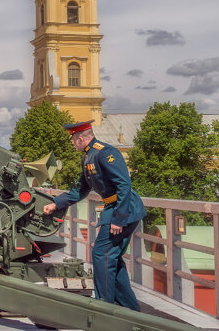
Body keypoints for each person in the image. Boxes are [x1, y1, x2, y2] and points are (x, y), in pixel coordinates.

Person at [41, 120, 146, 310]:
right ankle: (129, 306)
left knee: (101, 253)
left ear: (81, 139)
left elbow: (124, 184)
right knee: (111, 257)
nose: (72, 143)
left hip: (123, 209)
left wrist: (119, 219)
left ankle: (104, 304)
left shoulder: (105, 153)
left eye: (73, 140)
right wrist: (55, 204)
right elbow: (80, 190)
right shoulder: (88, 157)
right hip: (113, 208)